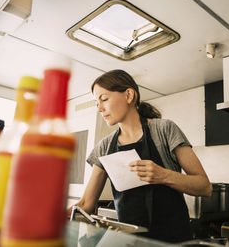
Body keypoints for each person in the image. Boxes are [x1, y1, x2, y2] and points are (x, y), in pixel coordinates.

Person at [72, 69, 212, 243]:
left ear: (129, 95)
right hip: (130, 244)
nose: (100, 109)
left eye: (104, 99)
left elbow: (205, 187)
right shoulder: (104, 147)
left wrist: (163, 175)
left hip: (173, 242)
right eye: (96, 103)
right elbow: (86, 205)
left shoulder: (164, 130)